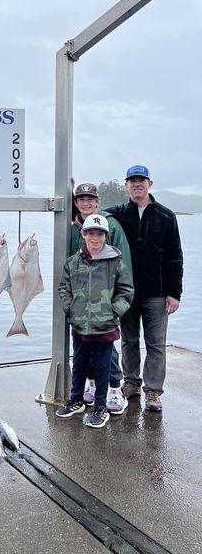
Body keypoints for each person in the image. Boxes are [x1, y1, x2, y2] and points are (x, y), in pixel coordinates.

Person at [105, 165, 183, 411]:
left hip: (158, 293)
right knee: (128, 340)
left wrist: (175, 292)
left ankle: (153, 391)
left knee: (156, 344)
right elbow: (92, 217)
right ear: (126, 185)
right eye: (132, 180)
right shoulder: (116, 214)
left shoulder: (166, 216)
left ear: (150, 183)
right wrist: (77, 215)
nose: (136, 184)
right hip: (127, 292)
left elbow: (175, 257)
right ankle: (131, 382)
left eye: (141, 180)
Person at [56, 214, 134, 428]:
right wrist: (70, 309)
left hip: (105, 326)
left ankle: (100, 407)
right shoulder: (73, 262)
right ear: (83, 234)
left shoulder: (115, 261)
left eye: (99, 234)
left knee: (102, 368)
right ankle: (76, 400)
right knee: (79, 364)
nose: (95, 238)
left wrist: (114, 311)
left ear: (106, 236)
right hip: (80, 324)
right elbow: (63, 288)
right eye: (91, 233)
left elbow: (126, 290)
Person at [71, 182, 133, 415]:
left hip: (105, 303)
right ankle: (94, 384)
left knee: (108, 350)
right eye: (81, 199)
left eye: (90, 199)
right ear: (76, 203)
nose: (86, 203)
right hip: (82, 305)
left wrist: (117, 306)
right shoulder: (75, 227)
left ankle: (116, 389)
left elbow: (123, 265)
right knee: (85, 348)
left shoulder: (111, 225)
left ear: (98, 202)